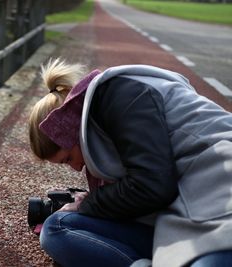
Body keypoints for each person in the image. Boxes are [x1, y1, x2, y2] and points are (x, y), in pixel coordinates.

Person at [28, 58, 232, 267]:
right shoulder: (105, 126)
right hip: (182, 214)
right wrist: (94, 203)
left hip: (220, 199)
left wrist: (89, 204)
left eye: (68, 159)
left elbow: (152, 186)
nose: (77, 168)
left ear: (72, 128)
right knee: (56, 227)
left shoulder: (119, 95)